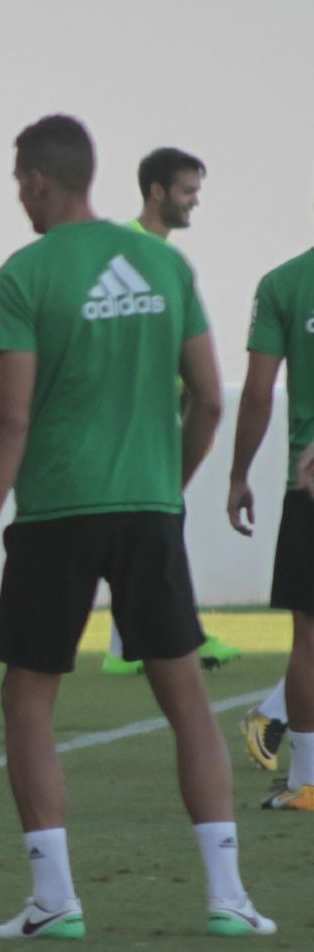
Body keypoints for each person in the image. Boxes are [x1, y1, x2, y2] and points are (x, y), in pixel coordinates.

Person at [0, 114, 273, 939]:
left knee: (28, 700)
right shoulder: (166, 265)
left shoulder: (23, 274)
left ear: (36, 180)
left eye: (18, 182)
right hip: (147, 512)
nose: (18, 195)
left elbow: (11, 418)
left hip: (56, 514)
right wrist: (167, 486)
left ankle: (55, 900)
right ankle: (228, 898)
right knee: (187, 698)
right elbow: (209, 399)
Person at [101, 147, 243, 676]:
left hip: (162, 414)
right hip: (134, 421)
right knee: (152, 527)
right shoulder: (132, 250)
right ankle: (170, 640)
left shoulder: (162, 257)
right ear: (157, 192)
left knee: (151, 530)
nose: (194, 201)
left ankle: (133, 646)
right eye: (188, 191)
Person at [227, 236, 314, 809]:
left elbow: (258, 393)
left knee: (309, 635)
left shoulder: (283, 283)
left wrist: (238, 475)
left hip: (306, 484)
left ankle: (307, 779)